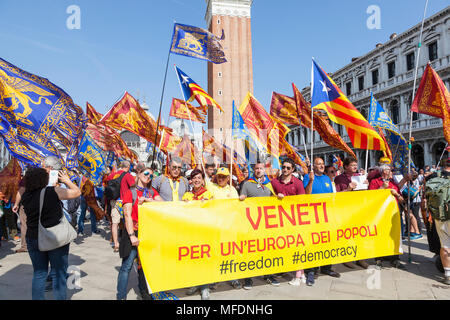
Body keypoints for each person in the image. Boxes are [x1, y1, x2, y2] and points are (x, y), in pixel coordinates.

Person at [21, 167, 81, 300]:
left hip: (32, 237)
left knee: (39, 274)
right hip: (54, 237)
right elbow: (77, 192)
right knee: (58, 274)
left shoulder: (26, 195)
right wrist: (67, 180)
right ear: (43, 179)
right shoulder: (52, 191)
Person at [116, 163, 163, 300]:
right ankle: (121, 296)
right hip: (134, 232)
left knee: (145, 266)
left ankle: (144, 293)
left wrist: (148, 200)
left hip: (148, 233)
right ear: (138, 174)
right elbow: (127, 215)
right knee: (127, 266)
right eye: (146, 174)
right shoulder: (130, 192)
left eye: (151, 175)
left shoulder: (152, 192)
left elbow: (164, 204)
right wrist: (131, 236)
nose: (149, 177)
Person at [239, 162, 278, 290]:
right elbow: (241, 200)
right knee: (250, 251)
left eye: (261, 168)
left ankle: (269, 275)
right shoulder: (247, 184)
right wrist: (241, 199)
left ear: (264, 170)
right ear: (253, 170)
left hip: (266, 224)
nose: (259, 170)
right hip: (251, 224)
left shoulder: (269, 184)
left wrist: (279, 198)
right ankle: (248, 278)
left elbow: (274, 199)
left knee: (268, 251)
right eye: (257, 168)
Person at [302, 157, 341, 286]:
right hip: (313, 216)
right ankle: (311, 270)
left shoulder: (327, 179)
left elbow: (331, 196)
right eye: (319, 164)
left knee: (327, 242)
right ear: (313, 166)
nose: (321, 166)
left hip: (326, 216)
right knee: (312, 243)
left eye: (323, 164)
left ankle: (326, 267)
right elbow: (306, 194)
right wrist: (311, 180)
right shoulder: (308, 177)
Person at [271, 158, 307, 286]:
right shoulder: (275, 182)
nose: (285, 170)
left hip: (295, 219)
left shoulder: (297, 183)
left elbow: (302, 201)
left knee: (297, 247)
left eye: (288, 168)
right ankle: (302, 274)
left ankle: (297, 276)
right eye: (284, 167)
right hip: (281, 220)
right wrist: (276, 197)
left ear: (292, 170)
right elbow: (269, 199)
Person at [182, 169, 214, 300]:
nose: (196, 180)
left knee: (204, 259)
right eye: (194, 178)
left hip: (204, 231)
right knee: (193, 259)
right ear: (191, 180)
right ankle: (195, 284)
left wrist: (209, 203)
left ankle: (205, 287)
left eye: (199, 178)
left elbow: (215, 210)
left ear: (203, 180)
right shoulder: (187, 195)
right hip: (191, 232)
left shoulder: (208, 193)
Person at [334, 157, 370, 269]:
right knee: (347, 235)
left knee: (361, 234)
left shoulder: (360, 176)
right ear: (345, 166)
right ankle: (347, 258)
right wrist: (348, 189)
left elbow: (365, 193)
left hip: (359, 208)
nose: (355, 167)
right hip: (346, 210)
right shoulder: (339, 179)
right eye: (352, 165)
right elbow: (337, 195)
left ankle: (361, 258)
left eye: (356, 165)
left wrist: (366, 185)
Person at [369, 164, 407, 269]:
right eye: (389, 170)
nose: (391, 171)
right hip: (381, 213)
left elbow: (402, 200)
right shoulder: (375, 182)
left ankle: (395, 259)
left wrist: (397, 194)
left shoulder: (393, 183)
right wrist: (382, 188)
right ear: (383, 171)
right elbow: (371, 197)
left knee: (395, 236)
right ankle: (378, 259)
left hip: (394, 213)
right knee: (380, 235)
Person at [208, 166, 240, 289]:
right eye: (219, 176)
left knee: (231, 253)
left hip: (229, 227)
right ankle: (216, 278)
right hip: (215, 227)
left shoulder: (232, 190)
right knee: (216, 252)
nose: (220, 179)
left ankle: (233, 278)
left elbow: (237, 208)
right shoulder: (211, 187)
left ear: (228, 178)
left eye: (223, 177)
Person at [423, 157, 450, 285]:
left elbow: (425, 191)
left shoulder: (432, 176)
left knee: (445, 245)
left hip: (440, 215)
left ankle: (448, 274)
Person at [108, 161, 135, 252]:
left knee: (115, 223)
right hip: (124, 201)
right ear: (128, 167)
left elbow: (106, 182)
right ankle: (126, 241)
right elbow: (133, 186)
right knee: (127, 221)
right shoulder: (128, 175)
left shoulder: (113, 175)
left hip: (114, 201)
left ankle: (116, 244)